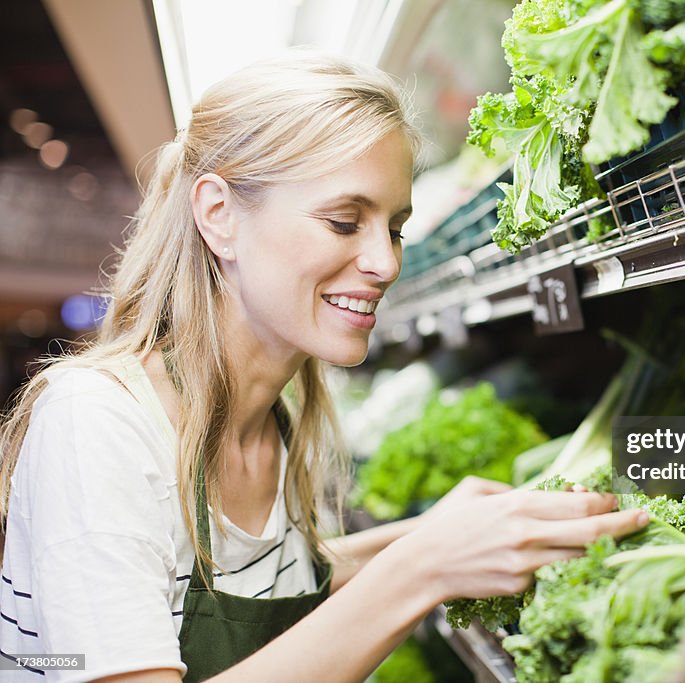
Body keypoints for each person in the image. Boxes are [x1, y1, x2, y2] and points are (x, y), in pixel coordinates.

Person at [0, 53, 646, 682]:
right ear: (219, 216)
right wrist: (421, 567)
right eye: (344, 221)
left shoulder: (276, 418)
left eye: (394, 228)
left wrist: (438, 535)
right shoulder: (98, 424)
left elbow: (264, 584)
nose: (385, 263)